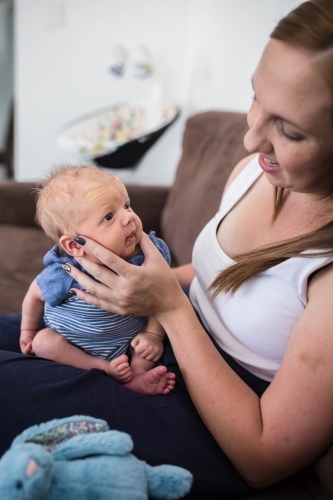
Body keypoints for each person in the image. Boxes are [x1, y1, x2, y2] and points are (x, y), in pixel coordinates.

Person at [1, 1, 333, 497]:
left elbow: (262, 460)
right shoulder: (255, 174)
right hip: (151, 335)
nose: (249, 139)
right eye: (255, 98)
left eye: (288, 129)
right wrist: (138, 285)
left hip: (205, 409)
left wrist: (166, 309)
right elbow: (212, 277)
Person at [19, 165, 175, 396]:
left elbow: (166, 295)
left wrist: (153, 335)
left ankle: (137, 376)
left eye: (127, 205)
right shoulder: (65, 271)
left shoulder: (149, 255)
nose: (129, 217)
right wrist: (27, 331)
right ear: (74, 245)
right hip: (73, 345)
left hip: (129, 341)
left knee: (146, 349)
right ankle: (103, 369)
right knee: (44, 343)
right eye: (109, 216)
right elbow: (34, 294)